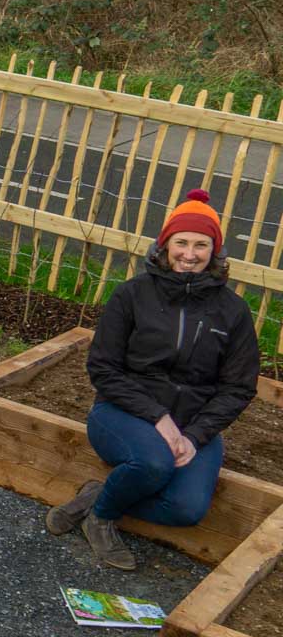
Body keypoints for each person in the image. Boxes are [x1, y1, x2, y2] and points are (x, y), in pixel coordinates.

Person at [46, 190, 258, 570]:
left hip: (194, 425)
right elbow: (103, 368)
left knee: (186, 508)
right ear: (165, 245)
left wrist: (195, 436)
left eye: (201, 244)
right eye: (181, 242)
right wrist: (159, 418)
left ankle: (97, 497)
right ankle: (101, 520)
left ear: (215, 250)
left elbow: (239, 387)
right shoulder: (132, 295)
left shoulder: (233, 311)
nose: (190, 254)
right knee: (154, 462)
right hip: (124, 414)